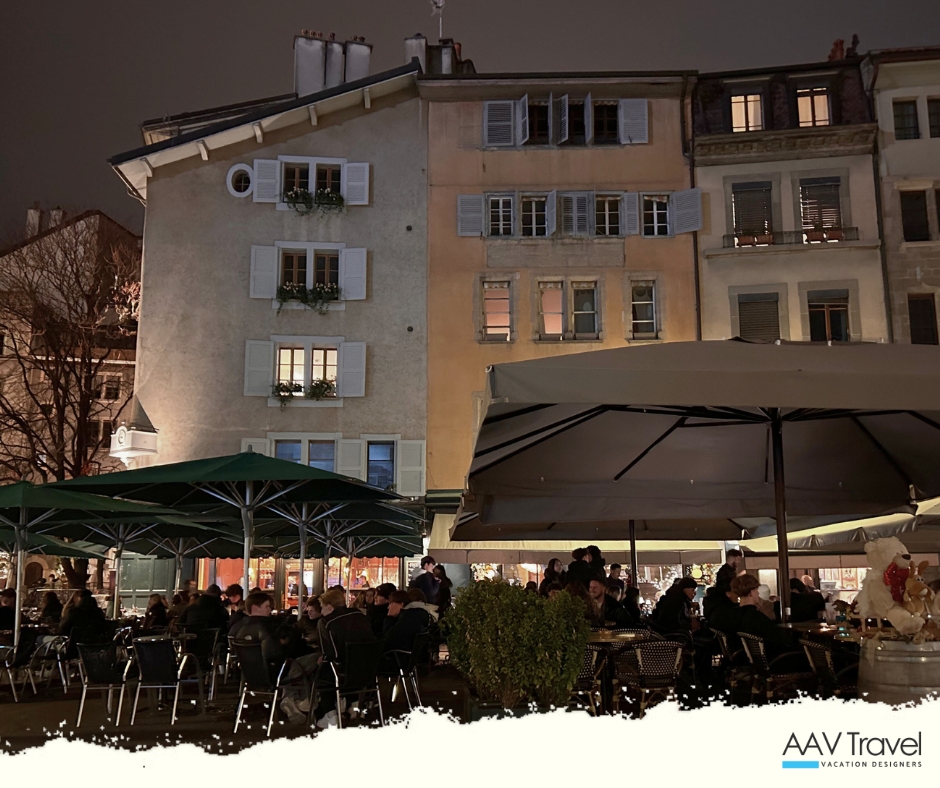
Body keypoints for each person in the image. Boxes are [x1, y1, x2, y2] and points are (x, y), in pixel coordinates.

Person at [313, 588, 377, 728]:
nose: (321, 611)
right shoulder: (359, 615)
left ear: (329, 606)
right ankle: (354, 705)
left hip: (343, 671)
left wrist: (323, 658)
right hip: (369, 669)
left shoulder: (326, 622)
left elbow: (331, 654)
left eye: (322, 607)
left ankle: (330, 714)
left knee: (323, 669)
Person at [731, 574, 807, 671]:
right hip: (776, 661)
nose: (758, 593)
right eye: (756, 590)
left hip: (754, 660)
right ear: (751, 593)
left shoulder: (736, 615)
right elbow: (780, 638)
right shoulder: (755, 617)